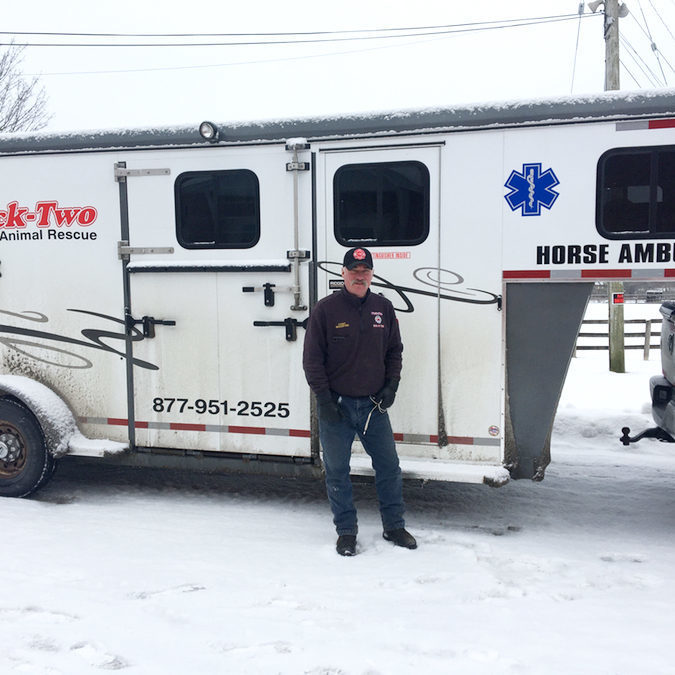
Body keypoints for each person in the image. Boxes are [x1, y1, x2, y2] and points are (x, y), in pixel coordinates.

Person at [302, 246, 417, 556]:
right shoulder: (325, 310)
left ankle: (394, 526)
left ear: (372, 274)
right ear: (343, 274)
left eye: (365, 272)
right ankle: (346, 532)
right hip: (336, 407)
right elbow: (312, 360)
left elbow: (395, 350)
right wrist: (324, 400)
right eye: (354, 272)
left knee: (389, 468)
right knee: (337, 471)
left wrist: (392, 384)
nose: (360, 276)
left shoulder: (384, 307)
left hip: (373, 408)